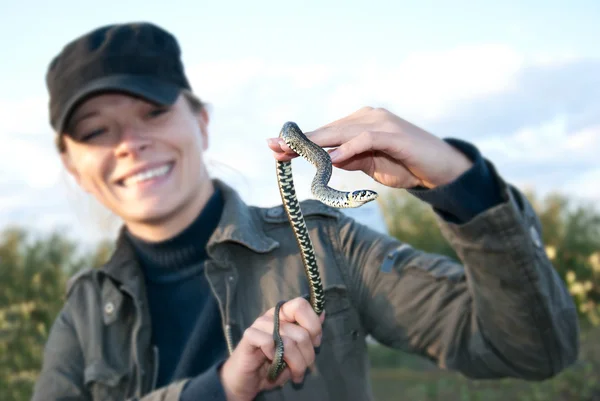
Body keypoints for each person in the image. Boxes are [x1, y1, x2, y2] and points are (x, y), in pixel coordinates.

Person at [32, 21, 579, 401]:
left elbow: (534, 349)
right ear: (74, 166)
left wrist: (462, 182)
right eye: (96, 131)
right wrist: (219, 391)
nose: (129, 143)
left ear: (201, 122)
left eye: (152, 112)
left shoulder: (327, 243)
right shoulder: (83, 313)